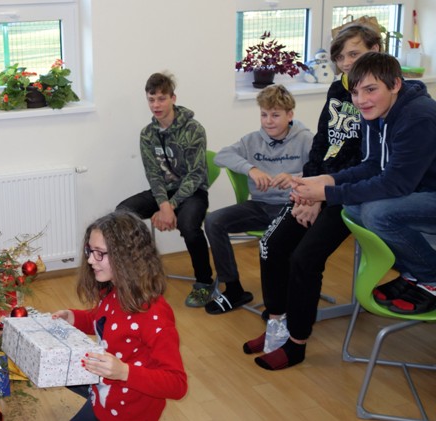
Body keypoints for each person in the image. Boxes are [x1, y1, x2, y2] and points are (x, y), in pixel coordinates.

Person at [243, 23, 382, 371]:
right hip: (318, 184)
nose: (346, 63)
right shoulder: (338, 87)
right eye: (341, 57)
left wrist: (321, 196)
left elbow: (365, 161)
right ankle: (276, 325)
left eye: (354, 54)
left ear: (376, 51)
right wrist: (307, 186)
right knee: (271, 244)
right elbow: (323, 140)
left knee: (304, 259)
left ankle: (297, 342)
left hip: (350, 193)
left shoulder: (377, 96)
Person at [291, 52, 436, 315]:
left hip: (426, 192)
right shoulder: (375, 112)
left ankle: (431, 277)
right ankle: (413, 272)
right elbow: (372, 165)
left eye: (371, 90)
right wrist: (328, 179)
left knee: (377, 212)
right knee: (354, 209)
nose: (361, 100)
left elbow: (396, 185)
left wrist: (326, 193)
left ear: (395, 85)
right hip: (419, 191)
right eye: (356, 92)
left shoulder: (418, 116)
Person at [52, 211, 188, 421]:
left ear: (127, 257)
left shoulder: (155, 315)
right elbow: (103, 321)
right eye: (90, 250)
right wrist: (72, 318)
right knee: (58, 366)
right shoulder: (114, 290)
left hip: (128, 412)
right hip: (104, 394)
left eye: (99, 253)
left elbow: (177, 384)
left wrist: (124, 372)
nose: (90, 260)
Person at [204, 85, 313, 315]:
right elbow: (222, 156)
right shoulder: (252, 140)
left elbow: (320, 171)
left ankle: (278, 303)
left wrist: (295, 178)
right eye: (264, 115)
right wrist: (251, 169)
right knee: (214, 221)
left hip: (291, 206)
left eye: (275, 115)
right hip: (260, 205)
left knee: (272, 242)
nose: (268, 121)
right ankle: (233, 289)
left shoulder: (305, 139)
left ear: (290, 115)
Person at [116, 72, 214, 307]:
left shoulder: (193, 129)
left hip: (192, 192)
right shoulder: (147, 134)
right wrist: (163, 204)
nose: (156, 105)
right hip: (164, 193)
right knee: (122, 213)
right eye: (151, 100)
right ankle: (138, 275)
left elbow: (196, 175)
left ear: (173, 98)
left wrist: (171, 206)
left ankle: (204, 282)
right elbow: (153, 174)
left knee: (189, 227)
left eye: (161, 99)